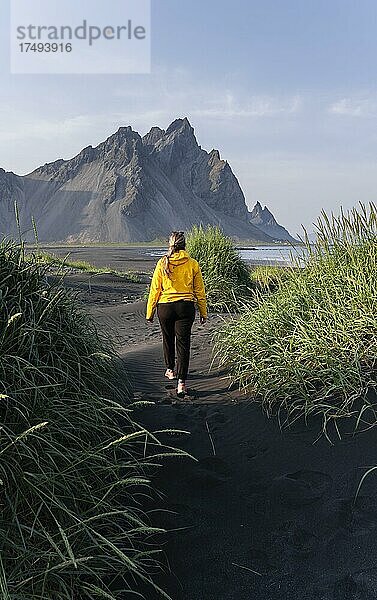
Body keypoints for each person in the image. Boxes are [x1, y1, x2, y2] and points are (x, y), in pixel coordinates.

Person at [146, 231, 207, 396]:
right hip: (185, 308)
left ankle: (170, 370)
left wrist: (149, 312)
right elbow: (199, 291)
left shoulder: (162, 262)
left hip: (165, 308)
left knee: (167, 339)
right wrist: (203, 311)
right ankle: (181, 383)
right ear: (185, 245)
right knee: (183, 344)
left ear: (170, 245)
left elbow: (155, 290)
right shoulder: (193, 263)